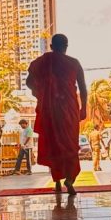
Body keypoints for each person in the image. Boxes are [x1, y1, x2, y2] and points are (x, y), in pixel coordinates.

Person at [26, 33, 88, 195]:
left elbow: (29, 82)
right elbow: (83, 88)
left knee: (55, 146)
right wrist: (84, 108)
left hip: (51, 110)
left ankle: (59, 182)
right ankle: (69, 180)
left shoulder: (42, 62)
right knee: (70, 147)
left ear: (52, 47)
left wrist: (41, 94)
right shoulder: (74, 63)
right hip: (69, 110)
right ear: (66, 47)